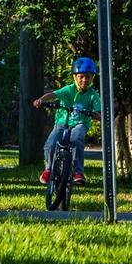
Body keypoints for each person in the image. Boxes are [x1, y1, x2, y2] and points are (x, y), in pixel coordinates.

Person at [34, 57, 102, 186]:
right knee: (51, 143)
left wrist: (97, 115)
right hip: (62, 122)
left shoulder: (93, 94)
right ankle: (48, 169)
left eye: (88, 77)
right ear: (75, 77)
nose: (84, 80)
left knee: (76, 139)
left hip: (80, 124)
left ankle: (78, 172)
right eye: (81, 77)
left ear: (92, 78)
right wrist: (41, 100)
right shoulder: (68, 89)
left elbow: (98, 112)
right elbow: (53, 95)